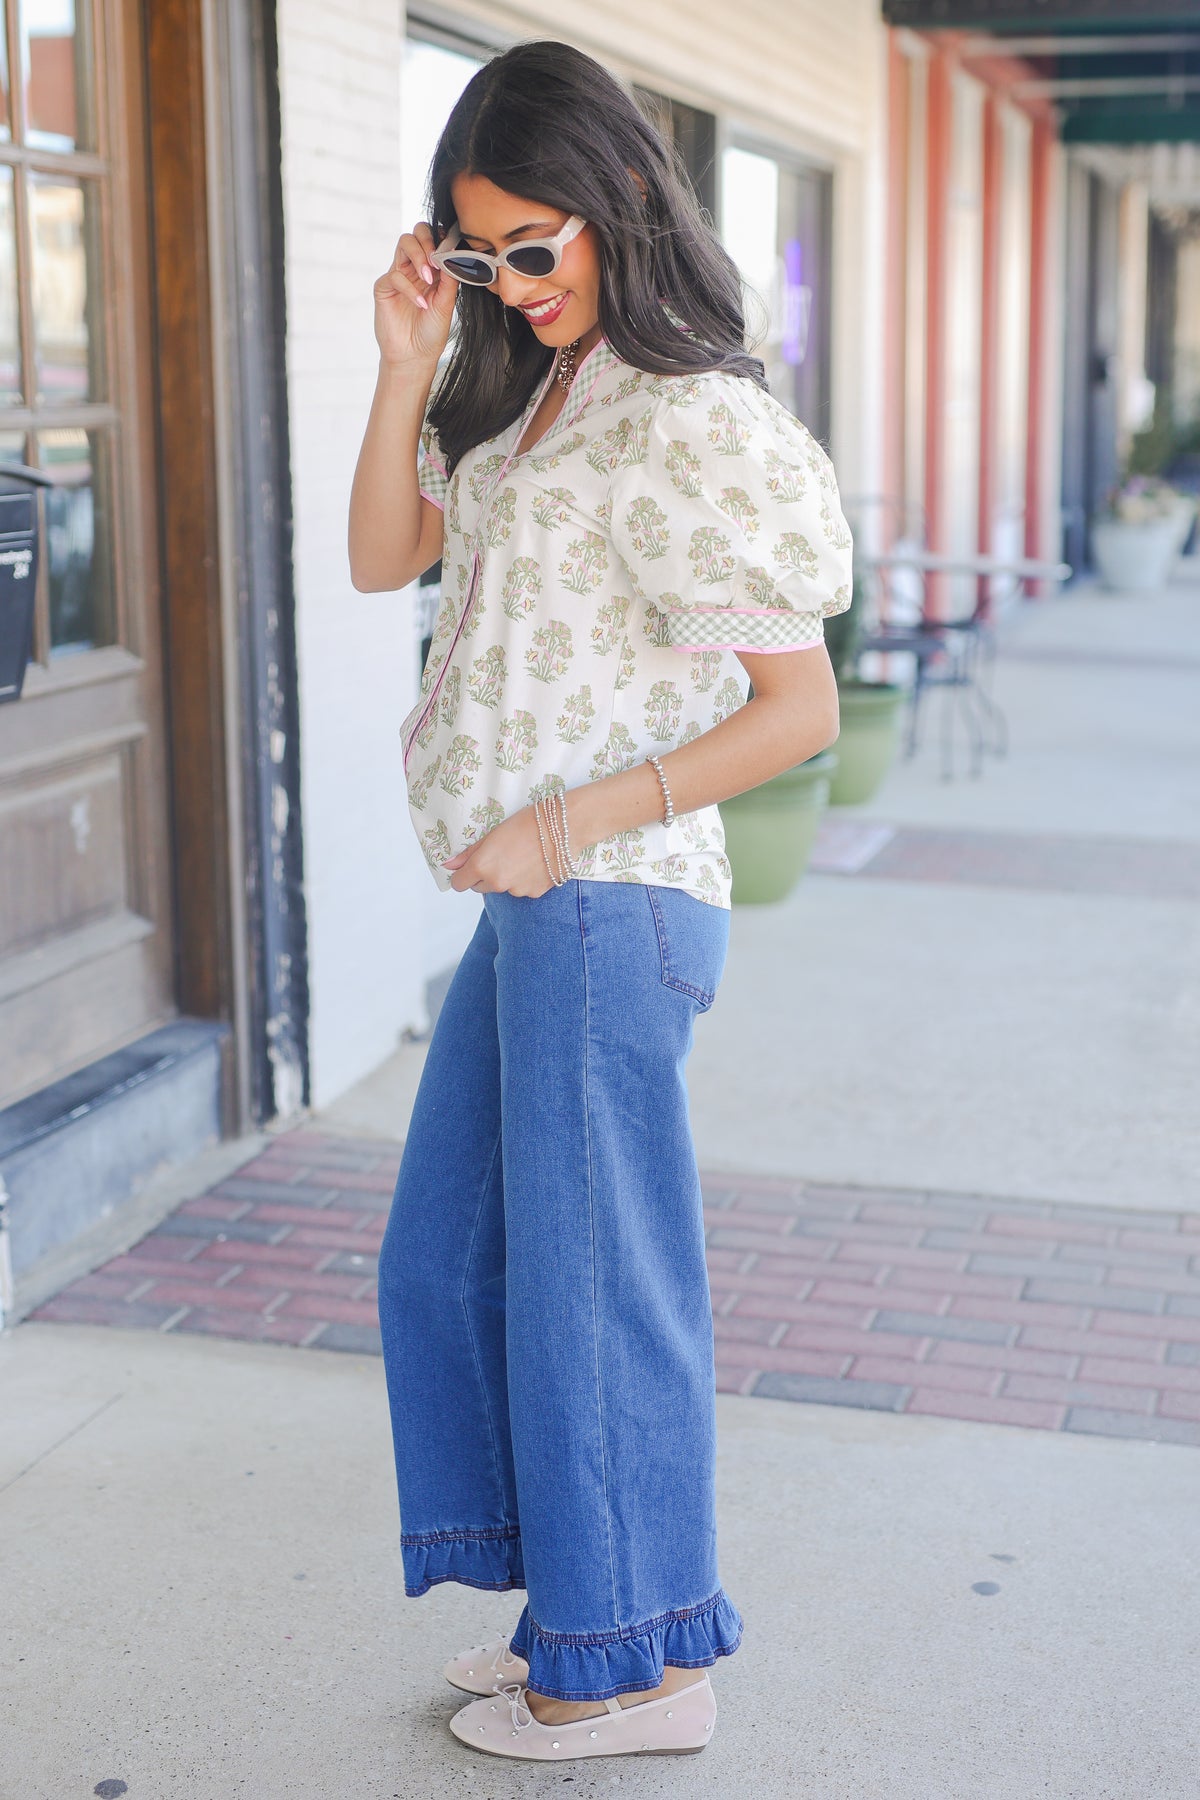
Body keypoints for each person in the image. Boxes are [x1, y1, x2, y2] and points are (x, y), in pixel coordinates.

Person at [348, 38, 852, 1765]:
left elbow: (803, 714)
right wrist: (415, 353)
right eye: (478, 252)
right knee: (454, 1261)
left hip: (607, 893)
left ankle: (630, 1666)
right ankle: (576, 1596)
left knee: (591, 1292)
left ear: (624, 201)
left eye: (532, 247)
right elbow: (376, 557)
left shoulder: (695, 420)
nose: (510, 281)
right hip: (537, 901)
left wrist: (564, 823)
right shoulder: (527, 388)